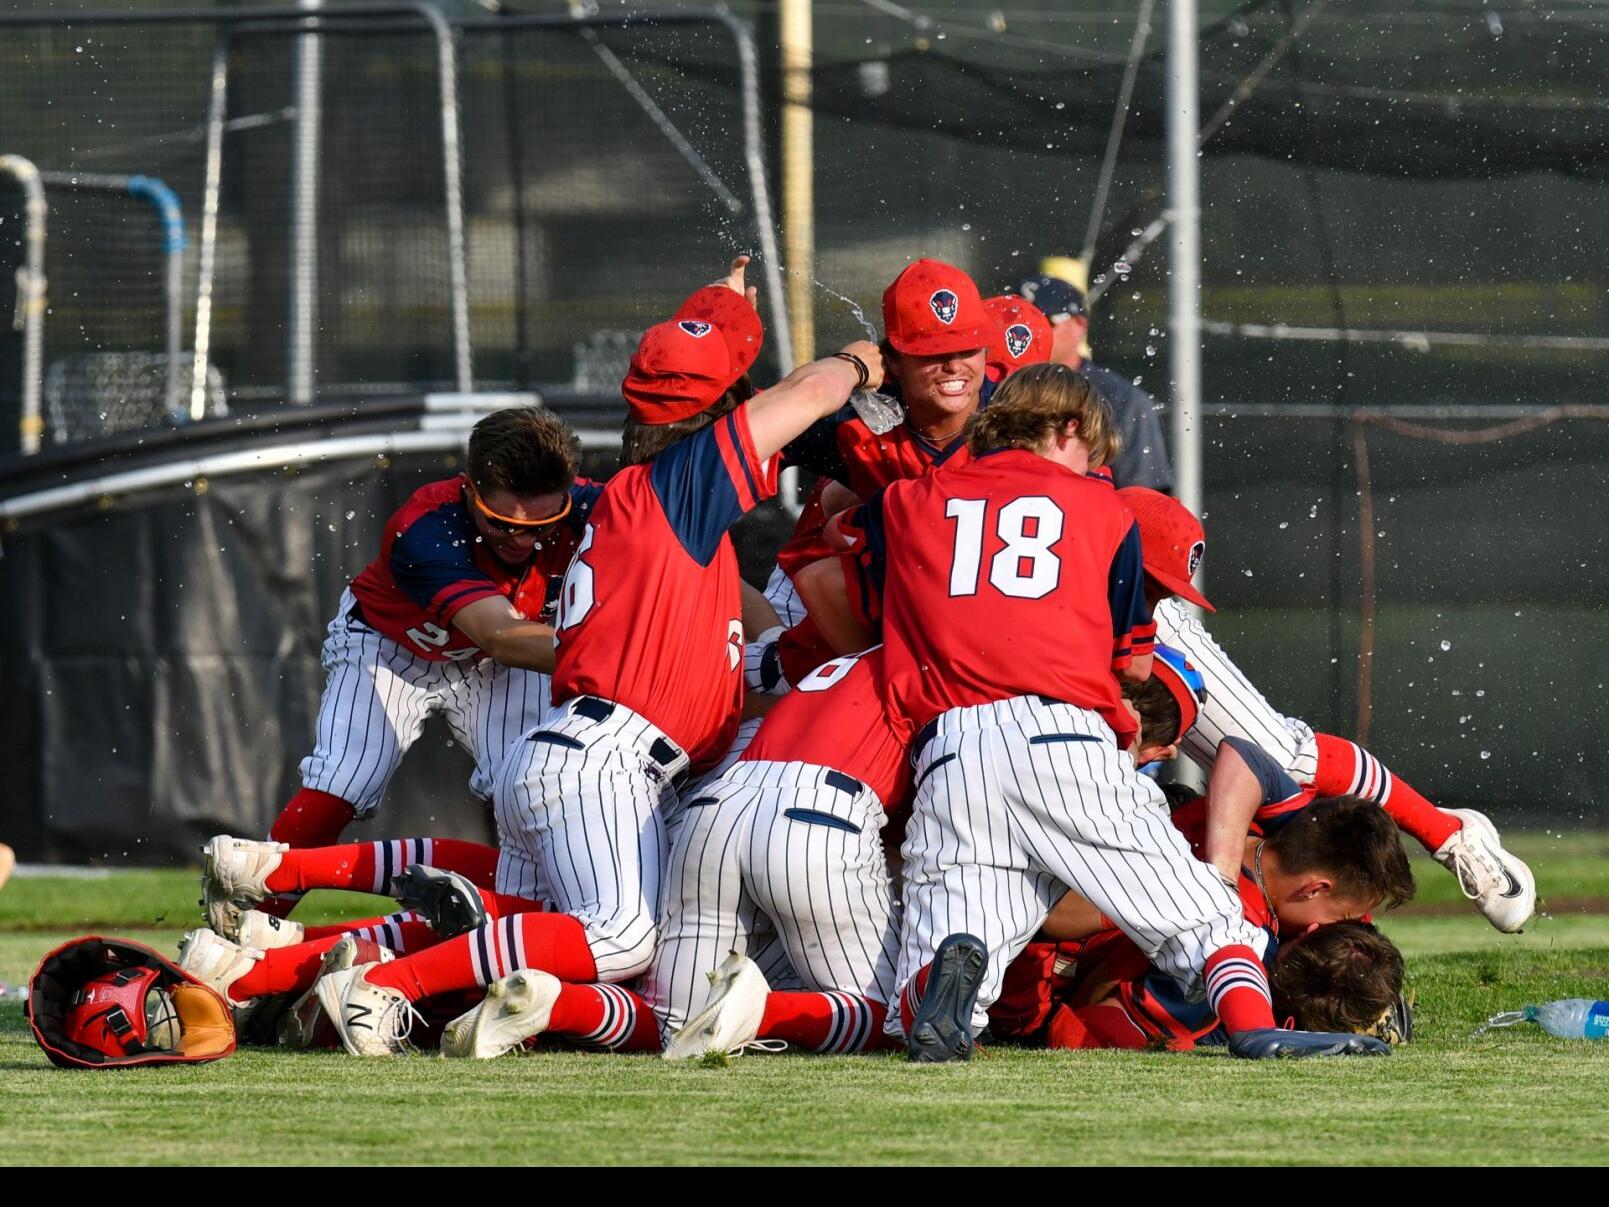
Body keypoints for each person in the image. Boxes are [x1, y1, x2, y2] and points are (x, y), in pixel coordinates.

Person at [311, 257, 889, 1056]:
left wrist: (720, 313)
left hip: (566, 752)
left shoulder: (653, 517)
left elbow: (733, 672)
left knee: (560, 958)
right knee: (620, 938)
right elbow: (806, 396)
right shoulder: (673, 488)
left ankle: (322, 968)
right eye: (735, 405)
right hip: (601, 762)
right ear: (719, 416)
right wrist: (864, 360)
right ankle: (383, 987)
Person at [816, 362, 1387, 1061]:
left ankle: (947, 978)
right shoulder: (1106, 510)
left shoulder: (911, 498)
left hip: (952, 744)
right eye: (1091, 445)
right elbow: (1135, 666)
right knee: (1203, 918)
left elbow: (839, 537)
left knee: (945, 966)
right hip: (1063, 731)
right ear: (1066, 428)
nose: (1095, 460)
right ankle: (1254, 1028)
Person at [1116, 485, 1536, 932]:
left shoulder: (1149, 609)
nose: (1157, 602)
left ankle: (1447, 837)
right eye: (1153, 586)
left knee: (1277, 758)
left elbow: (1246, 756)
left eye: (1166, 591)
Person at [243, 407, 598, 927]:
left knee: (533, 790)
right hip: (395, 647)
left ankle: (528, 936)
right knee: (344, 779)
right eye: (502, 524)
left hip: (504, 652)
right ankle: (248, 910)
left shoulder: (598, 504)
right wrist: (632, 649)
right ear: (468, 489)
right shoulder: (426, 527)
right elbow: (501, 636)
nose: (522, 540)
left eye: (541, 526)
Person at [1016, 272, 1172, 491]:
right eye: (1019, 325)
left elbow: (1147, 500)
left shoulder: (1121, 399)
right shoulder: (990, 387)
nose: (1031, 333)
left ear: (1080, 325)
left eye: (1044, 322)